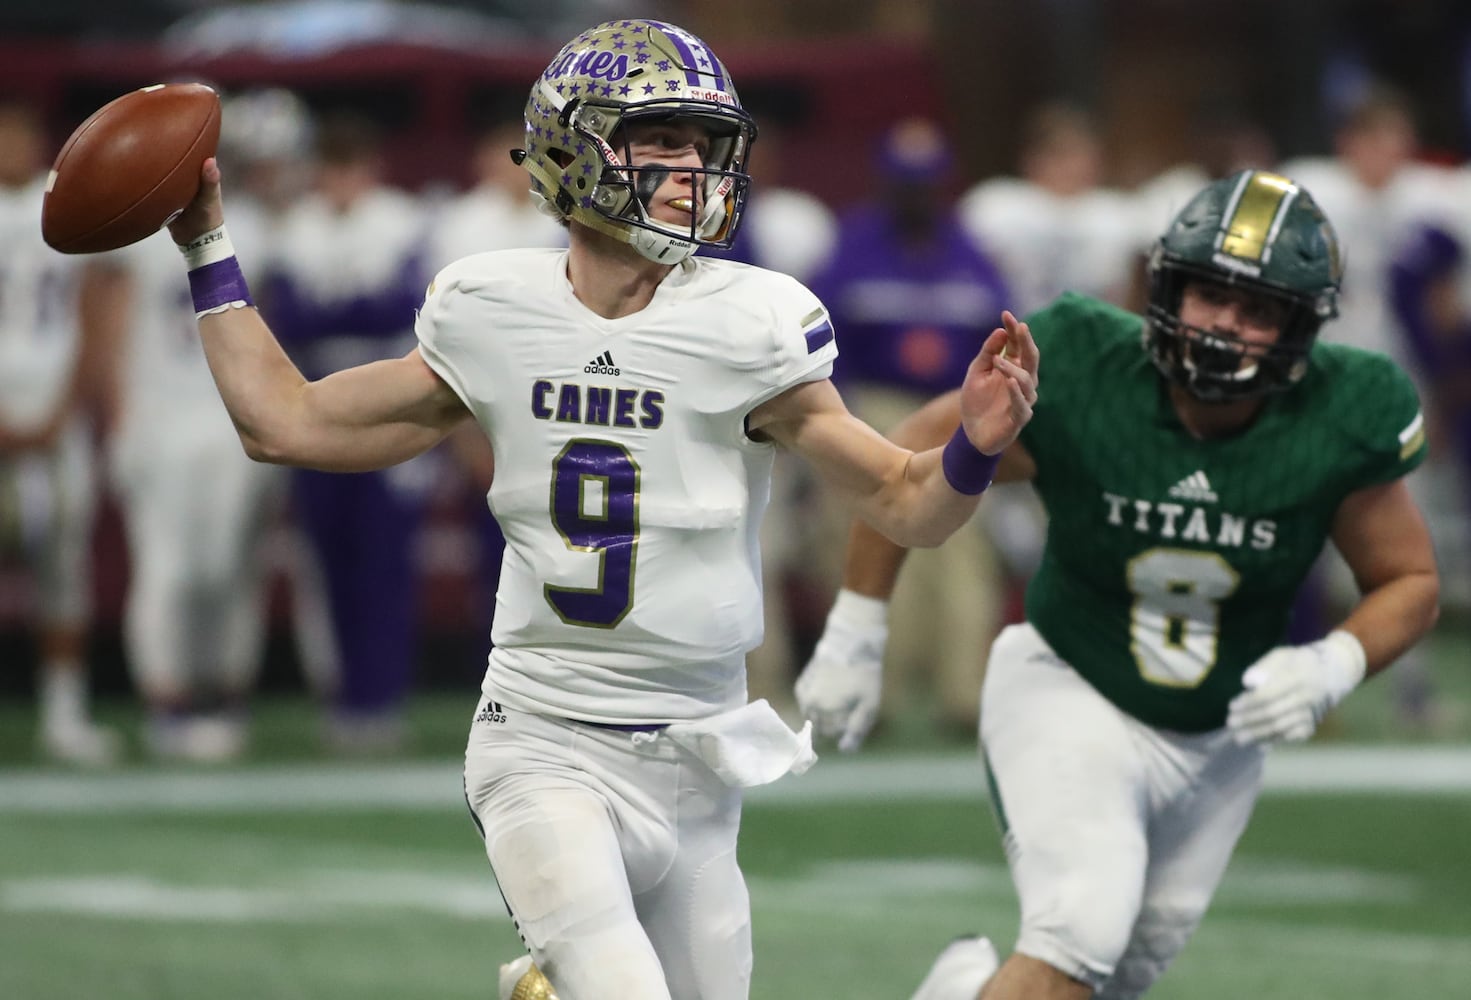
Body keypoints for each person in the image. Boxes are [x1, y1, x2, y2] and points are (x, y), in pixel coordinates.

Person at [158, 18, 1039, 1000]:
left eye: (701, 145)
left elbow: (905, 503)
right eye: (658, 140)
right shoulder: (491, 308)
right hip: (546, 740)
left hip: (697, 757)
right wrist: (207, 247)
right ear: (574, 146)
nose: (689, 168)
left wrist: (975, 443)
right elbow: (286, 424)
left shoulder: (747, 324)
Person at [796, 169, 1440, 1000]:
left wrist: (1333, 665)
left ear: (1299, 328)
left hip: (1218, 740)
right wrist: (856, 627)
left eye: (1257, 310)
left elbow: (1408, 578)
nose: (1225, 326)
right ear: (1164, 286)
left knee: (1112, 976)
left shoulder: (1349, 406)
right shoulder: (1081, 362)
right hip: (1072, 681)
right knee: (1078, 931)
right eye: (1210, 296)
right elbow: (905, 470)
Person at [805, 117, 1014, 738]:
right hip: (875, 407)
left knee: (964, 552)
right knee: (869, 542)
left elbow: (1004, 330)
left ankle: (963, 698)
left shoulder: (969, 249)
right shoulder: (853, 244)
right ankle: (877, 698)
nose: (915, 196)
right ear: (885, 184)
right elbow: (813, 337)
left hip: (956, 406)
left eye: (925, 184)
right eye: (905, 184)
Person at [264, 110, 435, 753]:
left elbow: (409, 305)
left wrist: (333, 313)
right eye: (331, 169)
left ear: (369, 170)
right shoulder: (297, 229)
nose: (340, 183)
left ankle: (379, 697)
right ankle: (343, 697)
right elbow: (287, 318)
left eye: (350, 168)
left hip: (393, 403)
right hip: (322, 403)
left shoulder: (402, 221)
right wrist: (344, 313)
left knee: (383, 561)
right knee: (328, 560)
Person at [0, 94, 119, 766]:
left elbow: (96, 315)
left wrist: (64, 407)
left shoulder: (67, 209)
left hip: (54, 411)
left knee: (64, 568)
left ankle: (64, 712)